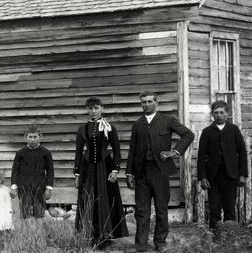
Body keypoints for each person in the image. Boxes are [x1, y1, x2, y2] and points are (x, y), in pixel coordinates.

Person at [126, 91, 194, 252]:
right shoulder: (138, 124)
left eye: (150, 101)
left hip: (160, 171)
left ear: (157, 103)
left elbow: (188, 135)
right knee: (142, 211)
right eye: (143, 102)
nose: (147, 104)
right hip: (141, 172)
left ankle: (160, 242)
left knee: (161, 208)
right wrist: (129, 173)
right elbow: (132, 150)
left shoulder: (167, 120)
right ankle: (141, 245)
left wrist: (175, 152)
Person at [73, 97, 128, 246]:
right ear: (87, 110)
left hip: (105, 168)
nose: (93, 111)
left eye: (96, 108)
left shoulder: (109, 127)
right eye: (90, 108)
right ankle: (90, 235)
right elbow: (78, 153)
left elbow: (117, 151)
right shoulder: (82, 129)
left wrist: (115, 170)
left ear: (102, 108)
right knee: (89, 199)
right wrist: (77, 174)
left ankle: (105, 235)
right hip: (87, 169)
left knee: (105, 198)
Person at [197, 100, 248, 229]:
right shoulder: (207, 132)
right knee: (214, 208)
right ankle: (215, 238)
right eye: (216, 113)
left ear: (227, 114)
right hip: (213, 177)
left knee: (230, 207)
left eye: (221, 112)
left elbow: (242, 153)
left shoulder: (234, 130)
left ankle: (229, 239)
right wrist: (202, 177)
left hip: (230, 176)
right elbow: (201, 156)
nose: (219, 115)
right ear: (212, 115)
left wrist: (242, 175)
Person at [10, 125, 54, 219]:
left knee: (39, 213)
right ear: (25, 137)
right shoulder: (20, 153)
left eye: (35, 137)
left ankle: (38, 233)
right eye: (30, 137)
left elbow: (50, 171)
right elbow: (15, 170)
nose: (32, 140)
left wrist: (49, 188)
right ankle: (26, 232)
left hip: (40, 186)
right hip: (24, 187)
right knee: (25, 213)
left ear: (40, 137)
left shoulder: (45, 153)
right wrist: (14, 187)